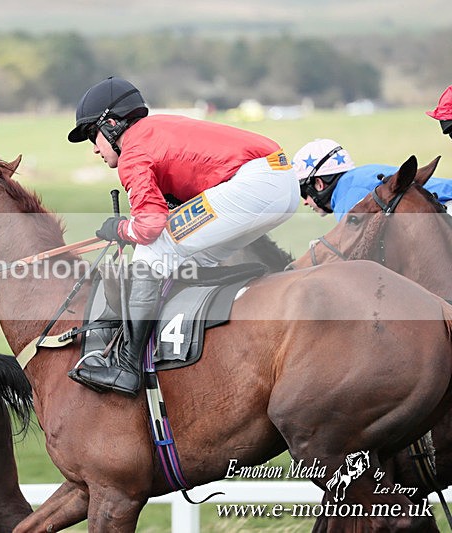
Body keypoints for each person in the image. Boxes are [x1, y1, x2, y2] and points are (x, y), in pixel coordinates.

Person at [66, 76, 300, 396]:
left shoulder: (133, 153)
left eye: (93, 135)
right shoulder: (153, 131)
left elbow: (150, 227)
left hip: (258, 184)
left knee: (152, 251)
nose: (94, 148)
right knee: (187, 258)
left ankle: (126, 367)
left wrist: (119, 229)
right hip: (279, 181)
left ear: (111, 125)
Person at [293, 138, 452, 219]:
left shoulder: (346, 198)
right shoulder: (356, 178)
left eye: (303, 193)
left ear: (319, 184)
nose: (305, 202)